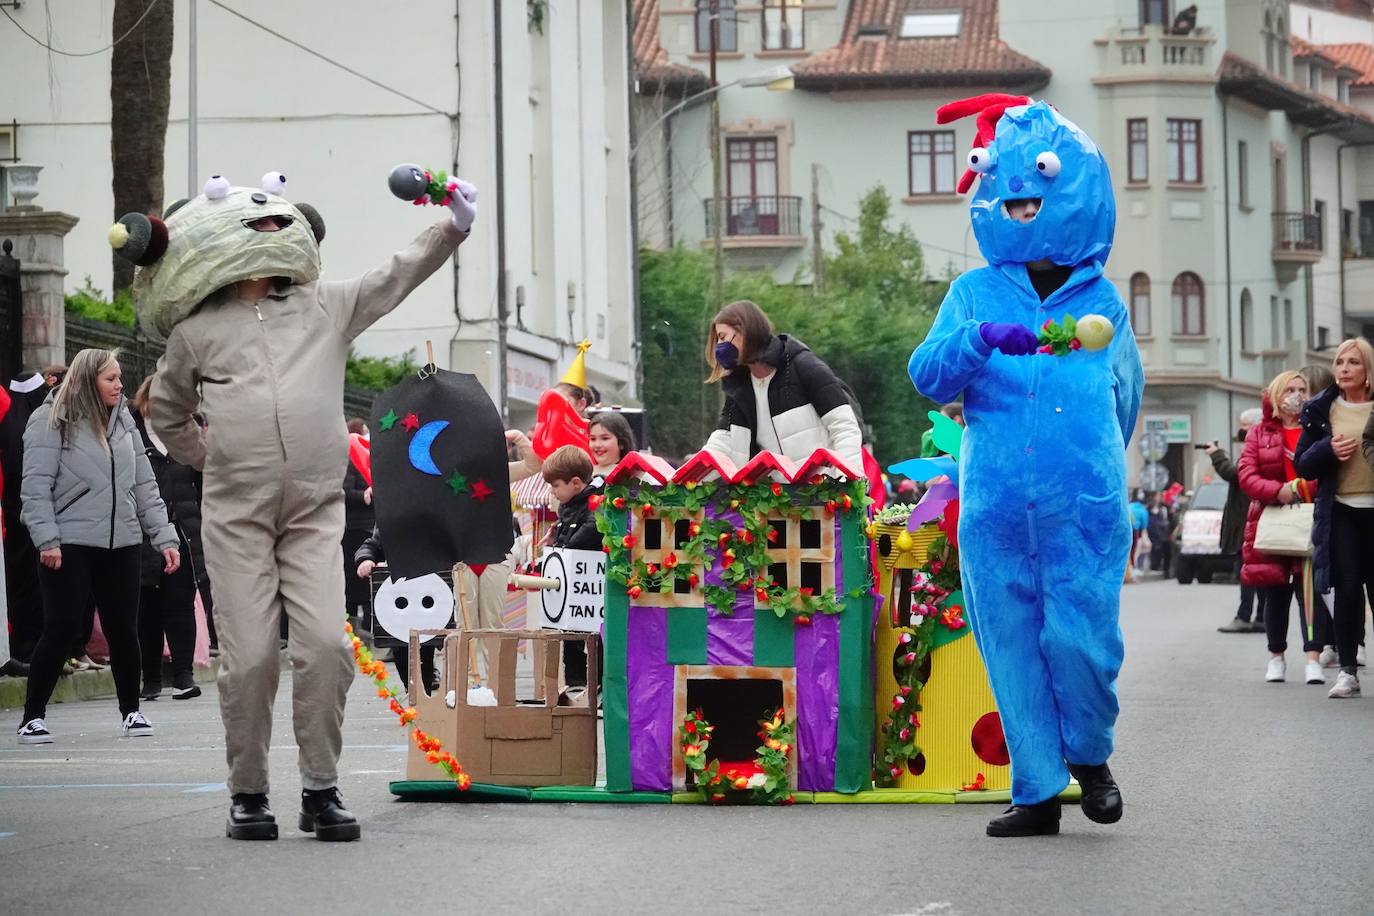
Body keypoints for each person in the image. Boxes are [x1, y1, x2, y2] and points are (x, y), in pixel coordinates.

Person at [139, 172, 477, 840]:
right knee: (252, 658)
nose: (268, 233)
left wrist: (453, 225)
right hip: (235, 517)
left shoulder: (327, 306)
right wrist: (214, 460)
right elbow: (169, 413)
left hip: (315, 514)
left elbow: (395, 274)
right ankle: (249, 792)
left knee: (325, 647)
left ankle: (320, 789)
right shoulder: (197, 333)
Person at [908, 95, 1143, 837]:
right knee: (1008, 644)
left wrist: (1097, 467)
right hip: (998, 506)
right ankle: (1038, 792)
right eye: (1007, 198)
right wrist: (978, 338)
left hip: (1082, 501)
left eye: (1035, 197)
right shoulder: (970, 293)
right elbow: (929, 376)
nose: (1019, 212)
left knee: (1084, 643)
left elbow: (1126, 397)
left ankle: (1091, 754)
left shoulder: (1104, 299)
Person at [16, 349, 180, 744]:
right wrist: (47, 539)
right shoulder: (51, 419)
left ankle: (132, 712)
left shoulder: (125, 421)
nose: (119, 385)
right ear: (89, 379)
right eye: (111, 378)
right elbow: (35, 487)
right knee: (61, 629)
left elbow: (145, 486)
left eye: (120, 378)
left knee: (125, 629)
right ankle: (31, 718)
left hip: (121, 541)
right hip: (68, 543)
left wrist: (164, 537)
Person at [1239, 372, 1330, 685]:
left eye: (1302, 389)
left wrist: (1307, 489)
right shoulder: (1259, 432)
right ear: (1276, 396)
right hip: (1273, 520)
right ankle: (1276, 656)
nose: (1297, 395)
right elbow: (1247, 474)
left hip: (1310, 518)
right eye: (1289, 389)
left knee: (1310, 592)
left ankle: (1313, 659)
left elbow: (1330, 469)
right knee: (1275, 592)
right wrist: (1276, 491)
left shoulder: (1317, 428)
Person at [1296, 338, 1374, 699]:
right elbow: (1303, 464)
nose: (1344, 368)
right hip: (1341, 509)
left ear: (1367, 369)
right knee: (1346, 591)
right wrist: (1327, 449)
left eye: (1353, 362)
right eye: (1339, 362)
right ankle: (1347, 672)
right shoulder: (1321, 408)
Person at [703, 299, 864, 474]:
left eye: (722, 337)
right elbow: (723, 441)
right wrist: (686, 477)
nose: (719, 347)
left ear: (744, 331)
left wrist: (845, 482)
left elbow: (844, 426)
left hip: (825, 493)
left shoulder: (804, 366)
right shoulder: (739, 387)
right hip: (780, 497)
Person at [131, 378, 205, 701]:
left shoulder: (188, 435)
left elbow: (204, 484)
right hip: (144, 534)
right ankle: (150, 677)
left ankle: (183, 674)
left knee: (180, 603)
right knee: (145, 606)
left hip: (184, 533)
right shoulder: (130, 430)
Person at [542, 445, 603, 701]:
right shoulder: (566, 507)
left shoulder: (595, 502)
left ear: (576, 483)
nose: (553, 492)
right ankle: (575, 681)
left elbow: (592, 529)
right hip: (571, 582)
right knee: (570, 633)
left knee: (596, 637)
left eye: (556, 485)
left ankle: (598, 683)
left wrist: (567, 546)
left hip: (590, 582)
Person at [352, 527, 437, 692]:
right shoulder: (390, 521)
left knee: (427, 646)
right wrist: (366, 559)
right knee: (400, 647)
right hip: (397, 599)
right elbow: (371, 545)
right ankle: (411, 689)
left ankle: (424, 688)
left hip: (428, 595)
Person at [1213, 408, 1264, 632]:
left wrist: (1217, 455)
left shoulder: (1257, 446)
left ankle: (1247, 616)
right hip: (1253, 518)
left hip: (1251, 520)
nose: (1240, 430)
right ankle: (1259, 617)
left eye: (1244, 425)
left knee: (1249, 570)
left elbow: (1235, 474)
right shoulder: (1258, 445)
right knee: (1258, 570)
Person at [342, 417, 374, 623]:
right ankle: (354, 628)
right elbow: (344, 491)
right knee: (355, 583)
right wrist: (364, 495)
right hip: (356, 529)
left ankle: (372, 627)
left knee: (371, 583)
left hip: (372, 527)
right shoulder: (350, 462)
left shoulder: (372, 460)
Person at [587, 411, 637, 478]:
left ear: (621, 443)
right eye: (593, 439)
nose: (597, 445)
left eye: (605, 438)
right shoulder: (584, 474)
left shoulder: (634, 476)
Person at [1127, 490, 1148, 582]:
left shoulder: (1129, 506)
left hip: (1125, 529)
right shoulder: (1143, 510)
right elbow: (1144, 527)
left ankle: (1128, 571)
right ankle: (1133, 570)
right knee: (1134, 551)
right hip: (1135, 531)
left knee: (1126, 551)